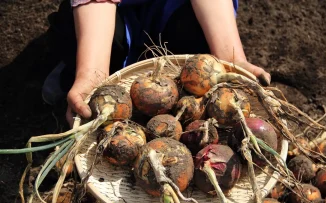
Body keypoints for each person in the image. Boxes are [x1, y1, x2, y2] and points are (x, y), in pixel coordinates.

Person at [43, 0, 271, 127]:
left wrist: (231, 59)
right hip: (106, 11)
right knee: (81, 40)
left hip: (171, 7)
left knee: (198, 50)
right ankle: (72, 70)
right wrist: (91, 73)